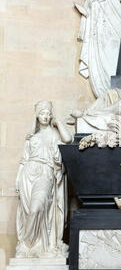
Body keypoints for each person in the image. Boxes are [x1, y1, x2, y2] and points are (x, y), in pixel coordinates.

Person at [15, 101, 72, 258]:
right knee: (28, 211)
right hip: (27, 174)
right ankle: (28, 248)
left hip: (45, 172)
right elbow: (23, 160)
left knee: (36, 207)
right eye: (42, 113)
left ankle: (30, 243)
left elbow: (68, 140)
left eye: (48, 113)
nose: (45, 116)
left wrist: (58, 122)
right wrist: (18, 178)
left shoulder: (55, 134)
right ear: (37, 116)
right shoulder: (31, 137)